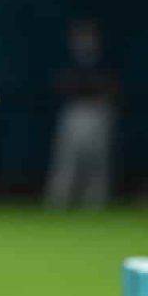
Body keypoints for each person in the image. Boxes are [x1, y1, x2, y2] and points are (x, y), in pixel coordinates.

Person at [44, 19, 117, 209]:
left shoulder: (105, 59)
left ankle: (95, 204)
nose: (84, 41)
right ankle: (58, 202)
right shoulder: (67, 60)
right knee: (67, 161)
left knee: (98, 161)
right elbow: (60, 84)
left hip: (98, 111)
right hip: (74, 111)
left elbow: (112, 86)